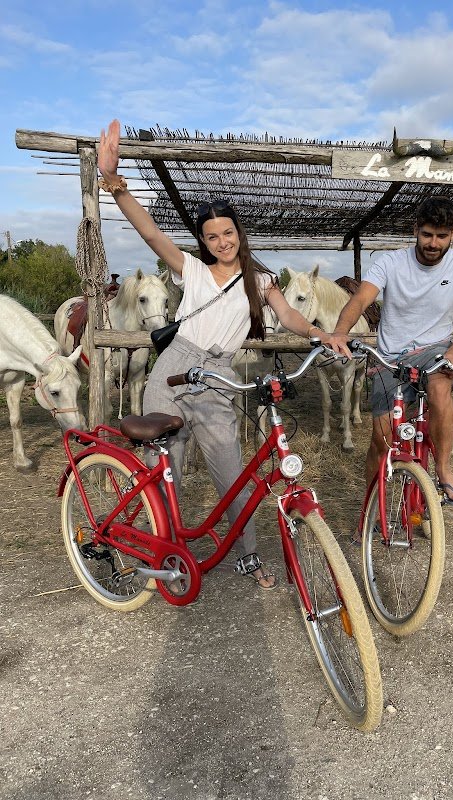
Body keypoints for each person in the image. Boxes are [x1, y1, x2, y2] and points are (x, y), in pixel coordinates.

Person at [98, 119, 334, 589]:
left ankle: (247, 556)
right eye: (212, 237)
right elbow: (151, 235)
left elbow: (287, 315)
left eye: (228, 233)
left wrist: (316, 332)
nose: (222, 242)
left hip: (218, 374)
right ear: (204, 242)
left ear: (238, 234)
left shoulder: (261, 281)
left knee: (231, 470)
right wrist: (116, 185)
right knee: (167, 470)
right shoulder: (193, 271)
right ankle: (160, 552)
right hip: (174, 366)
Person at [329, 195, 453, 511]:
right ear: (415, 230)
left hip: (435, 349)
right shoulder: (390, 262)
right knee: (381, 438)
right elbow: (361, 300)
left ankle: (442, 467)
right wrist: (340, 332)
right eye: (427, 234)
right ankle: (371, 503)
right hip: (390, 357)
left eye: (442, 236)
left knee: (441, 385)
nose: (433, 242)